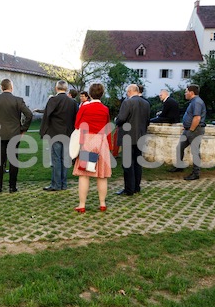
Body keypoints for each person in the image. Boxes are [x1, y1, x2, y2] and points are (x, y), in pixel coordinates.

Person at [0, 78, 33, 193]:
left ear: (1, 87)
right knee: (13, 161)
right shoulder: (18, 100)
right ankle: (12, 187)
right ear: (11, 87)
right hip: (14, 134)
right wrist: (23, 129)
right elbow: (29, 115)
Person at [72, 83, 113, 212]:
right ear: (102, 94)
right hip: (101, 142)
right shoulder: (105, 109)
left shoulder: (84, 107)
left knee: (84, 174)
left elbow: (77, 124)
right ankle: (102, 203)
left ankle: (82, 205)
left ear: (89, 94)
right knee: (102, 175)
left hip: (88, 142)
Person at [40, 80, 78, 191]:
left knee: (56, 159)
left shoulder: (53, 100)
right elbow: (76, 118)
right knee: (65, 159)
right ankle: (63, 183)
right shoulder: (72, 102)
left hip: (55, 133)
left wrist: (43, 132)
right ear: (66, 89)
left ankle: (56, 184)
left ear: (56, 88)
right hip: (67, 133)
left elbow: (46, 116)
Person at [115, 84, 151, 196]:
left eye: (127, 91)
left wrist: (116, 119)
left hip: (128, 137)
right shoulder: (146, 103)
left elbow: (121, 119)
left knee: (127, 164)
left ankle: (129, 189)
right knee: (137, 163)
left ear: (131, 91)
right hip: (140, 136)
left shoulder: (128, 102)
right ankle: (136, 187)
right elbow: (147, 120)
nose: (126, 93)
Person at [168, 84, 207, 180]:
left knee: (195, 151)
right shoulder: (193, 102)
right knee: (180, 147)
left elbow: (197, 117)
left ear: (191, 92)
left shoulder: (197, 102)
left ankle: (196, 173)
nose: (185, 93)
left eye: (186, 91)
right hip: (189, 129)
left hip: (195, 130)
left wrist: (191, 129)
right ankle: (179, 166)